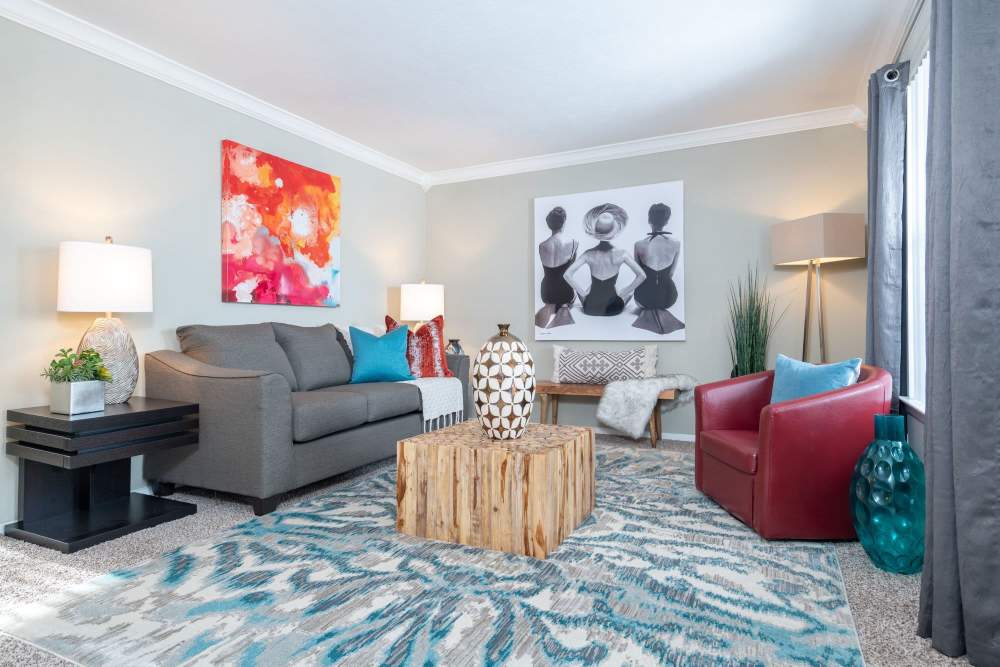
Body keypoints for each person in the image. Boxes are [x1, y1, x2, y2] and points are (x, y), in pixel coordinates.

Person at [565, 203, 646, 316]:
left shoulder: (588, 254)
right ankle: (616, 294)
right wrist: (624, 292)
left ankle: (591, 295)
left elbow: (567, 275)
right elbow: (642, 276)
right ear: (614, 232)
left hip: (590, 307)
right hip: (613, 308)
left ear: (596, 232)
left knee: (589, 289)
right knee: (629, 293)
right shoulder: (622, 254)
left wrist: (583, 294)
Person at [632, 203, 685, 334]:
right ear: (667, 221)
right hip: (668, 298)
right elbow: (671, 274)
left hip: (643, 299)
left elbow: (639, 276)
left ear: (649, 220)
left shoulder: (639, 245)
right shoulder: (676, 244)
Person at [535, 207, 579, 328]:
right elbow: (571, 272)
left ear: (549, 224)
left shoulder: (541, 245)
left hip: (546, 292)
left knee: (550, 304)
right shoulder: (574, 243)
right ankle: (563, 308)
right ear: (564, 222)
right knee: (566, 302)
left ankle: (551, 308)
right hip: (565, 292)